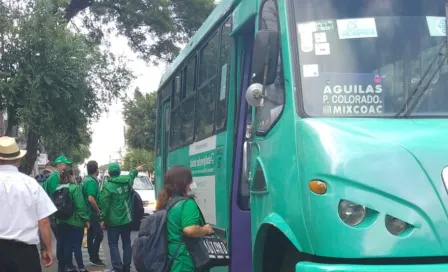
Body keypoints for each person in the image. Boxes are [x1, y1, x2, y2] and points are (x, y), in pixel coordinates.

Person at [0, 136, 56, 271]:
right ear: (18, 160)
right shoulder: (31, 184)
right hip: (25, 253)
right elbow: (43, 221)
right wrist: (47, 249)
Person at [155, 165, 214, 272]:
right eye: (190, 180)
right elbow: (189, 230)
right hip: (185, 261)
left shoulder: (166, 202)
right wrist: (206, 229)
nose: (192, 183)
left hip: (172, 257)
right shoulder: (187, 204)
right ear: (184, 182)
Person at [100, 162, 144, 272]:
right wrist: (136, 169)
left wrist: (102, 219)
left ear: (109, 173)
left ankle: (117, 267)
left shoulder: (108, 187)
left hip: (113, 221)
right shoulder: (127, 181)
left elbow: (105, 205)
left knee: (113, 244)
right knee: (127, 243)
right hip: (127, 220)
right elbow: (131, 175)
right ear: (119, 171)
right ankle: (126, 267)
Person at [56, 169, 91, 272]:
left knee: (67, 245)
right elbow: (80, 205)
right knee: (76, 245)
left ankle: (70, 267)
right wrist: (86, 219)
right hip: (74, 222)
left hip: (61, 221)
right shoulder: (74, 188)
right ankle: (81, 268)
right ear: (71, 176)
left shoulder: (57, 188)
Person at [42, 155, 73, 237]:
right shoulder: (55, 176)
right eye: (64, 165)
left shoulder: (54, 175)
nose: (65, 167)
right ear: (59, 165)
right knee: (60, 236)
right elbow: (55, 194)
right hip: (53, 210)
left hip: (51, 208)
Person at [82, 160, 106, 267]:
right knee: (99, 235)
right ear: (96, 170)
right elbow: (91, 199)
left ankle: (93, 257)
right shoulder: (91, 182)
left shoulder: (86, 180)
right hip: (92, 213)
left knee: (91, 235)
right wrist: (98, 211)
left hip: (88, 213)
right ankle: (94, 257)